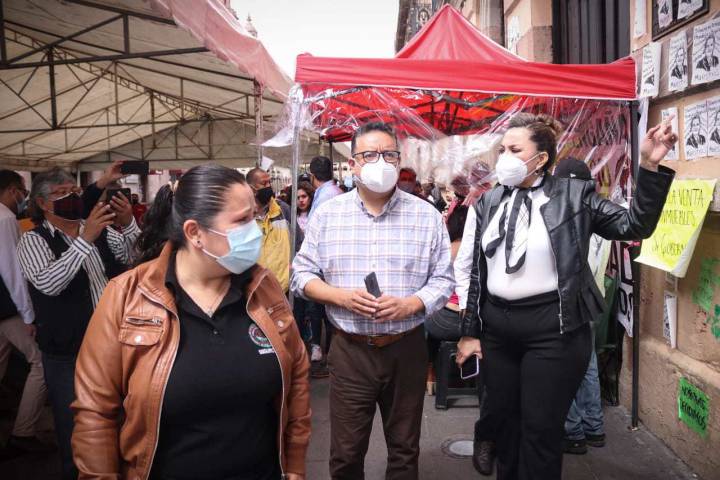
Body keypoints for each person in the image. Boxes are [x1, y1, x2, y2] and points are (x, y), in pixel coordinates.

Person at [456, 113, 677, 480]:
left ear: (541, 158)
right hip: (497, 330)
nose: (504, 158)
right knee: (505, 427)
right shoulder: (490, 201)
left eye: (514, 150)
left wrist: (649, 167)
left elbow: (634, 225)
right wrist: (470, 330)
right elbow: (478, 271)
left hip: (552, 330)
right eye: (502, 149)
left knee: (540, 430)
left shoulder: (575, 196)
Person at [72, 165, 311, 480]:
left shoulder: (262, 287)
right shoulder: (127, 297)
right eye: (242, 221)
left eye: (254, 217)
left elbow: (297, 380)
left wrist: (294, 466)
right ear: (195, 232)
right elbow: (95, 412)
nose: (254, 231)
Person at [292, 121, 453, 479]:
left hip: (406, 348)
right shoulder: (328, 215)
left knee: (404, 451)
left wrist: (412, 304)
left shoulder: (426, 216)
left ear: (399, 160)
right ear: (352, 164)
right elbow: (301, 275)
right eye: (369, 155)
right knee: (346, 453)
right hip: (350, 350)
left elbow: (444, 279)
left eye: (388, 154)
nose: (380, 162)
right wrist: (340, 297)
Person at [17, 167, 140, 480]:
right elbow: (49, 283)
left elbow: (133, 257)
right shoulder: (33, 240)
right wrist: (85, 240)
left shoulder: (96, 227)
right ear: (43, 203)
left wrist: (128, 224)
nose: (72, 197)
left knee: (119, 414)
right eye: (61, 193)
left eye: (74, 191)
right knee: (76, 424)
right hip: (67, 351)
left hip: (111, 344)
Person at [552, 158, 607, 455]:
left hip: (567, 300)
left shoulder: (562, 213)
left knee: (563, 368)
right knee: (587, 366)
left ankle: (573, 432)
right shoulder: (594, 210)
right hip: (589, 297)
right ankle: (594, 428)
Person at [0, 170, 53, 457]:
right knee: (41, 362)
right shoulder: (5, 219)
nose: (24, 198)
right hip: (8, 308)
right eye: (23, 191)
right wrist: (29, 315)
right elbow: (13, 272)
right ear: (12, 190)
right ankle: (23, 432)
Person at [246, 167, 293, 292]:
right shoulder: (244, 216)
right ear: (251, 189)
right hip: (255, 289)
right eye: (264, 183)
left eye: (269, 182)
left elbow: (298, 242)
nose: (268, 186)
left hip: (284, 288)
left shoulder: (283, 210)